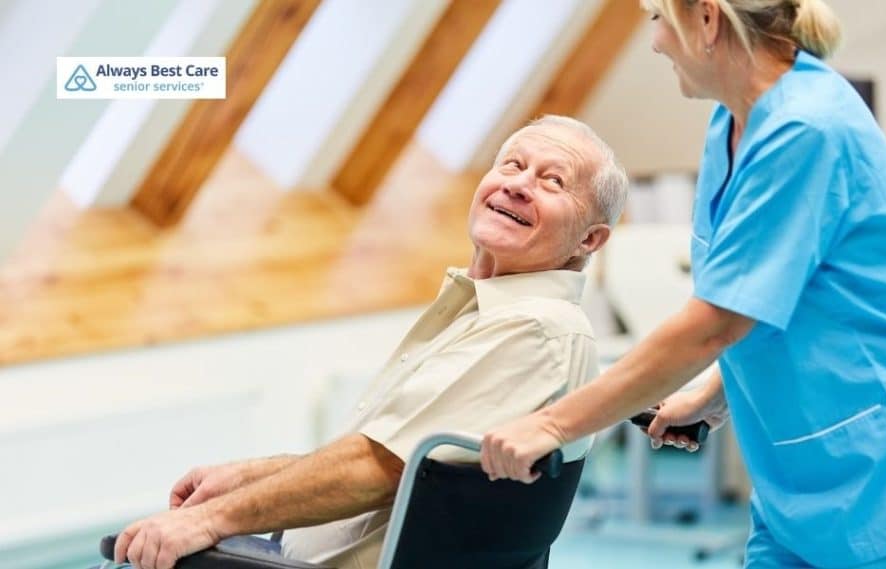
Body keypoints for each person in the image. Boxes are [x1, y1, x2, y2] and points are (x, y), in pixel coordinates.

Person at [480, 1, 886, 567]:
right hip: (797, 486)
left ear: (708, 21)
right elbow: (770, 291)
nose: (656, 42)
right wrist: (717, 391)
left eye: (659, 20)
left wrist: (550, 423)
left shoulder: (808, 129)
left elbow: (715, 323)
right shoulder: (734, 122)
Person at [111, 115, 629, 569]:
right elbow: (398, 451)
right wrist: (249, 477)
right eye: (512, 165)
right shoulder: (494, 315)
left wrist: (209, 522)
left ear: (589, 239)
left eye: (553, 181)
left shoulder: (535, 330)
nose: (518, 186)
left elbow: (379, 468)